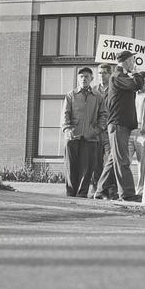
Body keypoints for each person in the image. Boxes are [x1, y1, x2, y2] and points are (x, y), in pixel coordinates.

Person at [95, 50, 145, 202]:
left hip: (121, 125)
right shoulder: (117, 76)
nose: (134, 62)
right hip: (118, 124)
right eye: (132, 60)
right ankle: (127, 194)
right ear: (126, 61)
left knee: (114, 159)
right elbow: (138, 84)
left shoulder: (119, 76)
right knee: (123, 159)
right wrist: (135, 72)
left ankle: (100, 190)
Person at [61, 67, 108, 198]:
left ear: (91, 79)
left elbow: (103, 114)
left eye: (87, 76)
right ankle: (71, 193)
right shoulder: (71, 95)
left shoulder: (97, 96)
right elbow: (65, 114)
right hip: (72, 136)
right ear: (78, 79)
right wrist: (67, 129)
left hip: (90, 137)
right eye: (81, 76)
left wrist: (97, 129)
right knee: (71, 166)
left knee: (87, 168)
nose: (84, 79)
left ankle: (82, 193)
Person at [93, 63, 118, 200]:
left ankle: (111, 189)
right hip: (97, 131)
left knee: (111, 159)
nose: (101, 75)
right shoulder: (94, 90)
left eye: (104, 73)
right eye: (99, 73)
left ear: (110, 74)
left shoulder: (114, 89)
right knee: (96, 160)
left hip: (109, 130)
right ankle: (96, 187)